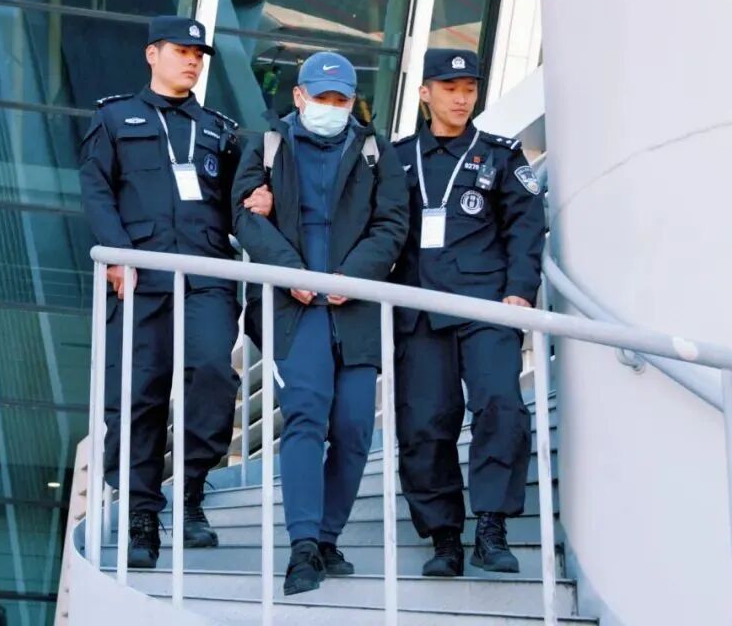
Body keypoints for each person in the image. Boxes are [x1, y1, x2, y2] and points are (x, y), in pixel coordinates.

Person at [78, 15, 271, 568]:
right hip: (141, 276)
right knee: (139, 393)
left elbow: (241, 195)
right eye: (181, 51)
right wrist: (117, 254)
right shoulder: (114, 118)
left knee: (212, 374)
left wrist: (261, 197)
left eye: (198, 55)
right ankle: (141, 512)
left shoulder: (218, 129)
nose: (191, 61)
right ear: (152, 54)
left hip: (207, 275)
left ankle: (188, 492)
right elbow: (96, 188)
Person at [231, 52, 408, 595]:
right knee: (306, 417)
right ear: (299, 96)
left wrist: (352, 276)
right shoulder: (268, 145)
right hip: (295, 311)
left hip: (355, 309)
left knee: (354, 428)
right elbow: (242, 216)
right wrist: (290, 273)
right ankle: (304, 545)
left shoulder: (376, 152)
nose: (331, 107)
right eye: (322, 97)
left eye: (341, 99)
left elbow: (392, 224)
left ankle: (328, 537)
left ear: (353, 102)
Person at [390, 49, 545, 577]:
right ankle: (444, 538)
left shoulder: (500, 155)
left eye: (470, 89)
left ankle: (492, 528)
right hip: (419, 310)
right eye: (450, 88)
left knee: (501, 406)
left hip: (486, 306)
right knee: (424, 424)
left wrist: (520, 291)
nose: (461, 99)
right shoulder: (396, 158)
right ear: (424, 93)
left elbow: (526, 226)